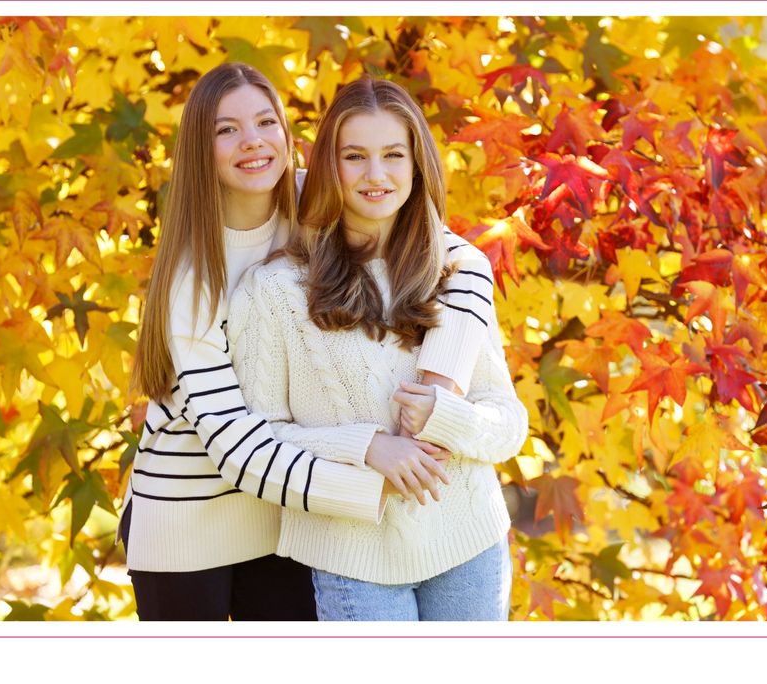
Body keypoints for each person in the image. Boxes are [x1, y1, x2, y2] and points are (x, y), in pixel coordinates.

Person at [121, 63, 498, 621]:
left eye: (265, 121)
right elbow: (237, 447)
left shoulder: (313, 200)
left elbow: (454, 255)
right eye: (226, 129)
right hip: (191, 517)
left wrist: (440, 380)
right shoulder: (193, 279)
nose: (252, 142)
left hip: (288, 513)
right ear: (201, 149)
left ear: (289, 135)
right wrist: (371, 478)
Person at [228, 76, 528, 621]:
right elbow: (259, 439)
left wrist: (448, 417)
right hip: (352, 557)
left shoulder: (457, 274)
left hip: (468, 544)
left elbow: (508, 423)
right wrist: (368, 448)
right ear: (328, 167)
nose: (376, 175)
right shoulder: (275, 291)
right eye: (355, 156)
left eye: (393, 154)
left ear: (417, 165)